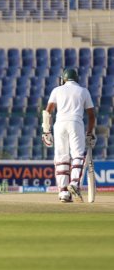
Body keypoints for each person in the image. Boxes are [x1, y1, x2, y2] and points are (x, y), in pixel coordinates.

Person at [42, 68, 96, 203]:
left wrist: (46, 130)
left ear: (64, 79)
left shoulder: (57, 90)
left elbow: (48, 111)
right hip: (75, 123)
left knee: (61, 158)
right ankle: (74, 182)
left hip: (59, 124)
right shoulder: (83, 91)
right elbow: (91, 115)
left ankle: (63, 193)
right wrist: (89, 132)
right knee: (77, 155)